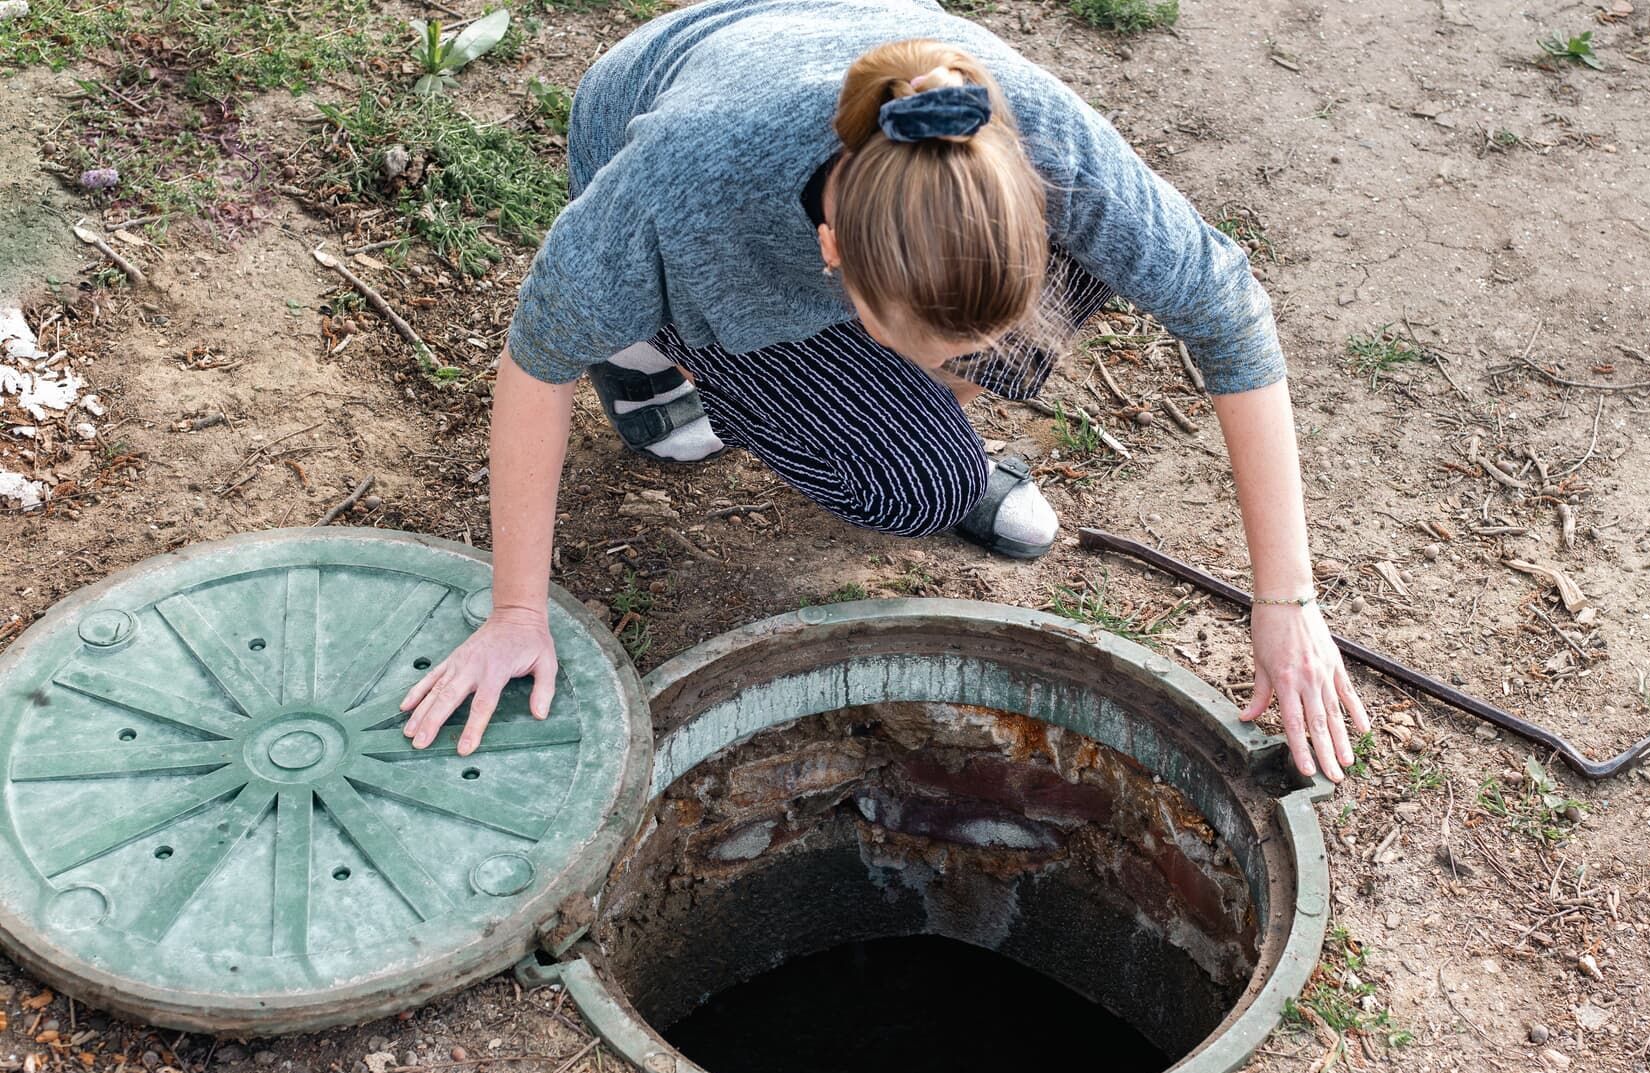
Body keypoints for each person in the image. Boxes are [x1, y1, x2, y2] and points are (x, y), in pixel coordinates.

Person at [400, 0, 1370, 782]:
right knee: (908, 482)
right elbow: (537, 362)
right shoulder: (671, 201)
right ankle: (661, 350)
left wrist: (1286, 599)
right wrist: (517, 614)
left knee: (1076, 298)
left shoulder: (1036, 142)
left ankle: (896, 389)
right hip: (664, 115)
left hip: (810, 74)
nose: (980, 368)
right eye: (935, 347)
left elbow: (1226, 308)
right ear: (831, 258)